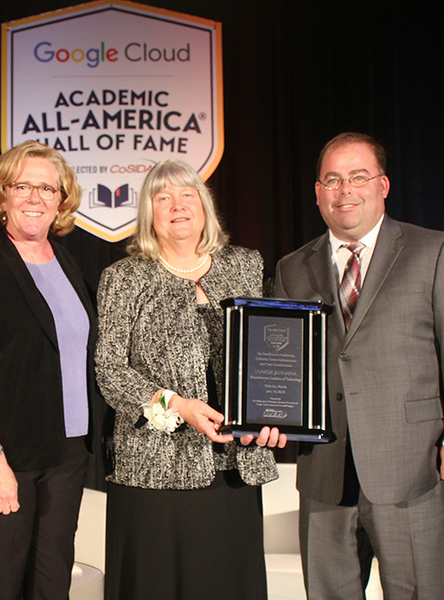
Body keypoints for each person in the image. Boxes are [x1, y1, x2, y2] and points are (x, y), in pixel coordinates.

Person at [275, 133, 444, 600]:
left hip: (413, 462)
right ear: (317, 192)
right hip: (325, 469)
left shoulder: (433, 250)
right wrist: (269, 416)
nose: (344, 190)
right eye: (332, 180)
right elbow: (281, 363)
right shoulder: (292, 267)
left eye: (357, 177)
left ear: (383, 184)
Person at [95, 158, 287, 600]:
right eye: (163, 198)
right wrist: (178, 408)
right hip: (153, 470)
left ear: (205, 206)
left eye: (187, 195)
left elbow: (272, 356)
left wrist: (277, 414)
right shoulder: (124, 278)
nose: (177, 206)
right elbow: (109, 371)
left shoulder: (246, 266)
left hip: (234, 467)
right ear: (148, 213)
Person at [0, 141, 99, 599]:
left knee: (52, 589)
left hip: (67, 454)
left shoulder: (68, 264)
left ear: (61, 200)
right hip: (4, 455)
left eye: (47, 188)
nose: (35, 197)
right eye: (23, 186)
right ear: (2, 195)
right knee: (0, 589)